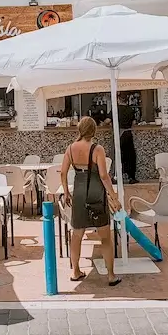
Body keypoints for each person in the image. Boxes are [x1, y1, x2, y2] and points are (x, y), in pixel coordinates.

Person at [59, 117, 122, 287]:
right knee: (105, 238)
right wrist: (113, 195)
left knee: (77, 235)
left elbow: (63, 172)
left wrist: (66, 192)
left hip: (78, 194)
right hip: (96, 194)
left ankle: (76, 271)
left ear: (79, 129)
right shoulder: (97, 149)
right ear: (93, 130)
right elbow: (103, 175)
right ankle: (110, 275)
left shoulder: (70, 149)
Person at [117, 94, 138, 184]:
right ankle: (131, 177)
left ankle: (117, 176)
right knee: (130, 156)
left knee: (119, 155)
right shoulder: (130, 109)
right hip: (128, 134)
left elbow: (107, 121)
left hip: (120, 135)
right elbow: (134, 122)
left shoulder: (116, 109)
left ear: (118, 100)